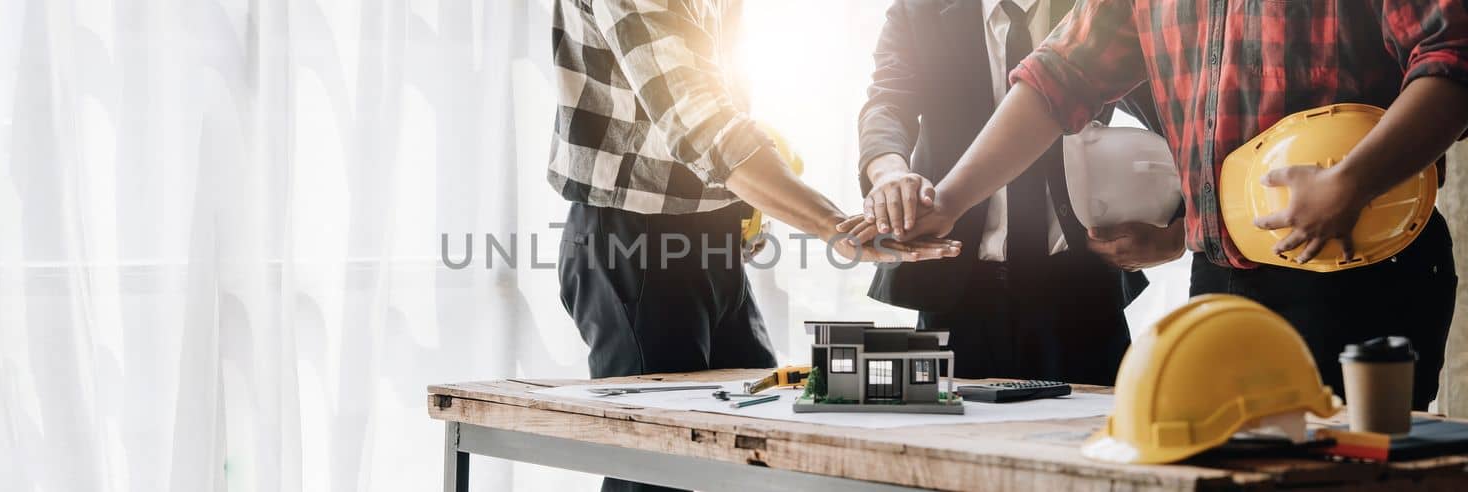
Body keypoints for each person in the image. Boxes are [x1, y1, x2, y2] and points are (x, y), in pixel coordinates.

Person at [896, 0, 1468, 410]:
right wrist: (949, 200)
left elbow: (1455, 56)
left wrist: (1353, 181)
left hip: (1367, 276)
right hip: (1222, 280)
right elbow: (1056, 79)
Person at [549, 2, 957, 490]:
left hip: (710, 240)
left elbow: (720, 97)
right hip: (634, 239)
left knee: (754, 448)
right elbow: (698, 120)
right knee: (660, 466)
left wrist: (746, 209)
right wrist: (832, 225)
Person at [852, 0, 1181, 385]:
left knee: (1090, 438)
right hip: (955, 287)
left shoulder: (1098, 12)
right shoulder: (918, 10)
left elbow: (1182, 119)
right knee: (948, 439)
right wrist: (889, 172)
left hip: (1081, 289)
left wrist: (1179, 233)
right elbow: (887, 103)